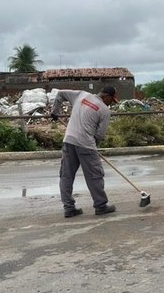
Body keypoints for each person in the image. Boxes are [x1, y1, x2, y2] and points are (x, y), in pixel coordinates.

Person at [50, 86, 119, 218]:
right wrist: (93, 147)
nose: (111, 103)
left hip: (69, 140)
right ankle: (101, 206)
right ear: (106, 96)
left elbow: (59, 94)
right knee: (94, 176)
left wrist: (55, 111)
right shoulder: (104, 110)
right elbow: (100, 135)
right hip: (86, 144)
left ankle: (69, 208)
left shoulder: (81, 95)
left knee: (66, 176)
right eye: (112, 100)